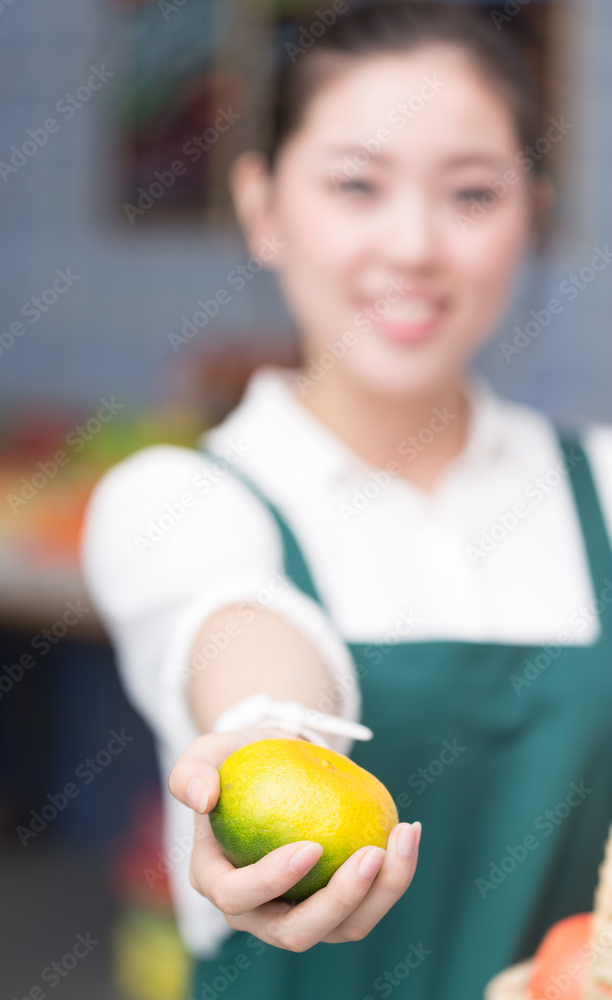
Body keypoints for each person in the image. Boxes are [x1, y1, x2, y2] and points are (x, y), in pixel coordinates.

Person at [81, 3, 612, 998]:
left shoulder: (605, 489)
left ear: (529, 212)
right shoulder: (173, 498)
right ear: (263, 206)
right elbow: (237, 621)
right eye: (356, 184)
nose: (411, 245)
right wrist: (268, 735)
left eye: (470, 192)